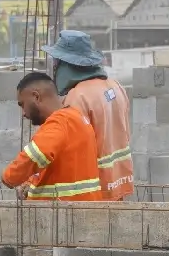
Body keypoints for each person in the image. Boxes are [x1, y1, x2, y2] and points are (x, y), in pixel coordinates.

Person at [1, 71, 102, 256]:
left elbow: (35, 156)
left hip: (57, 224)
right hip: (76, 220)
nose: (22, 113)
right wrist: (32, 186)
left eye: (22, 104)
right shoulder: (77, 119)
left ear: (36, 96)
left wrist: (9, 178)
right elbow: (59, 166)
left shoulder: (58, 123)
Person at [42, 30, 134, 201]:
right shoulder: (115, 86)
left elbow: (72, 148)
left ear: (67, 65)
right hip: (119, 181)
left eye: (57, 62)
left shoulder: (78, 96)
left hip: (95, 187)